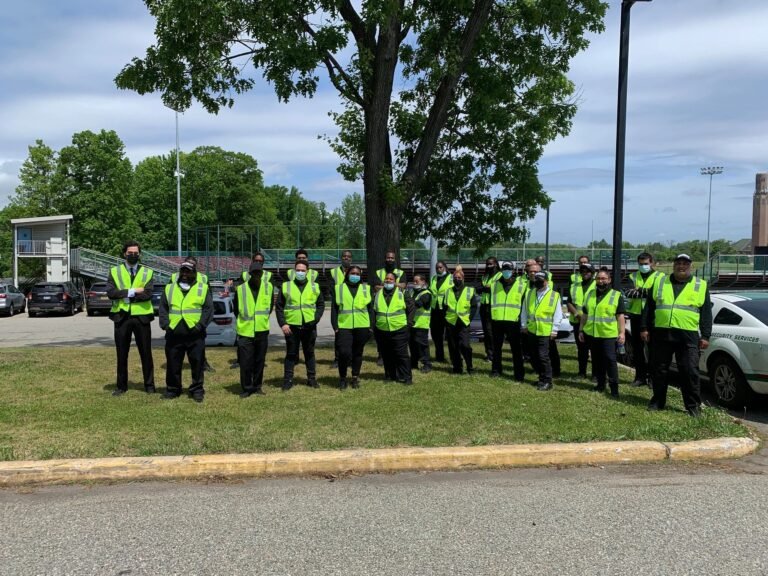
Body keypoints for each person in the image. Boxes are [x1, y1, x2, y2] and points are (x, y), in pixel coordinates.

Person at [640, 253, 712, 417]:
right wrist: (644, 327)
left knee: (689, 371)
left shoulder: (700, 285)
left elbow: (706, 313)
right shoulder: (660, 282)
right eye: (678, 263)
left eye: (685, 264)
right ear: (674, 265)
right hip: (661, 333)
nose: (681, 266)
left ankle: (693, 407)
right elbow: (649, 307)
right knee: (659, 370)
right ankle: (658, 401)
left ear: (690, 266)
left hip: (687, 335)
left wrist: (706, 336)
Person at [159, 261, 213, 402]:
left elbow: (208, 309)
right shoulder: (169, 288)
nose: (185, 274)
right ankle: (173, 389)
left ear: (194, 273)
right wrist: (165, 325)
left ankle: (197, 389)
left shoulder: (202, 288)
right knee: (173, 363)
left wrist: (200, 326)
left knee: (197, 363)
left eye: (188, 271)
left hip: (195, 334)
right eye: (182, 271)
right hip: (174, 333)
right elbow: (163, 308)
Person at [106, 241, 155, 396]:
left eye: (135, 253)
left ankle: (149, 385)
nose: (133, 255)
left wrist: (125, 294)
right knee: (121, 353)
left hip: (142, 318)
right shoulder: (114, 271)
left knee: (146, 353)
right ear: (124, 254)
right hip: (122, 317)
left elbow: (147, 294)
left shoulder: (147, 272)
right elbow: (111, 293)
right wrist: (134, 291)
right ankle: (121, 386)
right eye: (130, 253)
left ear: (139, 254)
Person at [276, 260, 325, 390]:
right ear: (294, 271)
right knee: (291, 354)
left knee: (309, 353)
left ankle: (311, 379)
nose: (300, 272)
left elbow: (321, 304)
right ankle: (288, 380)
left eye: (303, 270)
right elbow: (279, 306)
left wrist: (316, 318)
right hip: (291, 327)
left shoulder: (315, 286)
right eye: (298, 270)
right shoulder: (286, 286)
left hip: (309, 326)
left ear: (307, 272)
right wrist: (283, 324)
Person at [578, 269, 626, 397]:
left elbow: (620, 316)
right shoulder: (590, 295)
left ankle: (614, 388)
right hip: (593, 334)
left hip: (608, 335)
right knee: (597, 360)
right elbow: (585, 315)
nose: (601, 281)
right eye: (598, 278)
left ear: (609, 280)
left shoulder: (616, 295)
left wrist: (622, 333)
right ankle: (600, 384)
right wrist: (581, 330)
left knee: (610, 360)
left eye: (604, 278)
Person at [233, 259, 274, 398]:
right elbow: (236, 309)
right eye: (254, 273)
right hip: (245, 331)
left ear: (262, 274)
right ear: (249, 274)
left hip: (262, 330)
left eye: (259, 273)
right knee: (245, 362)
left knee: (259, 361)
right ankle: (247, 388)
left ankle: (257, 386)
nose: (256, 275)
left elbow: (270, 307)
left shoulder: (269, 288)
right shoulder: (241, 289)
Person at [624, 252, 664, 387]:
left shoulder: (660, 277)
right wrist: (647, 291)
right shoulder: (632, 276)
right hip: (636, 316)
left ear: (652, 263)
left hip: (653, 317)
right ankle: (640, 377)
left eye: (646, 264)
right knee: (637, 349)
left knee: (654, 349)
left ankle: (653, 378)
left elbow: (658, 294)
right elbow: (628, 292)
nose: (643, 266)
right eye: (641, 264)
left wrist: (639, 290)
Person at [331, 265, 374, 390]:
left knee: (357, 353)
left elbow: (371, 309)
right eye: (352, 273)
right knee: (343, 353)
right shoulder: (338, 288)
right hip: (344, 326)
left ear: (360, 276)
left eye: (357, 274)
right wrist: (335, 326)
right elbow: (334, 309)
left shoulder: (366, 288)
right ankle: (342, 378)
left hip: (362, 326)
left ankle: (355, 377)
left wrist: (371, 327)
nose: (355, 276)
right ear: (347, 274)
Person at [521, 266, 563, 391]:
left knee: (543, 356)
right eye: (536, 279)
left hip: (545, 331)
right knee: (533, 356)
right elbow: (524, 310)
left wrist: (554, 329)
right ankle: (541, 378)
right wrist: (523, 325)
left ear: (546, 281)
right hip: (532, 330)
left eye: (541, 280)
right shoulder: (529, 293)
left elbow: (558, 314)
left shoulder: (554, 295)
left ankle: (547, 381)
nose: (538, 282)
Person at [171, 256, 215, 374]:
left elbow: (209, 298)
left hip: (197, 319)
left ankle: (203, 363)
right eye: (188, 263)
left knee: (199, 346)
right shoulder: (175, 277)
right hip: (179, 320)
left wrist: (202, 322)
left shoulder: (203, 278)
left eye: (192, 264)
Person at [374, 272, 414, 384]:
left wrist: (409, 324)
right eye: (386, 278)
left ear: (395, 281)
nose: (388, 280)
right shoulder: (377, 294)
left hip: (399, 329)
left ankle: (406, 377)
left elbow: (411, 308)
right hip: (382, 330)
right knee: (387, 354)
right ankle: (390, 375)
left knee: (401, 355)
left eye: (391, 279)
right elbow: (374, 311)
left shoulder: (402, 292)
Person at [490, 261, 527, 381]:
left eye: (509, 269)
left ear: (513, 271)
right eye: (504, 269)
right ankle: (496, 370)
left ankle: (519, 374)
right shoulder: (494, 284)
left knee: (516, 349)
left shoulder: (522, 285)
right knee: (496, 348)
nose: (507, 271)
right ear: (501, 270)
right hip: (497, 320)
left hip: (513, 321)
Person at [373, 249, 407, 365]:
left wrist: (388, 284)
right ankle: (381, 356)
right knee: (381, 336)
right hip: (382, 303)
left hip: (395, 304)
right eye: (388, 258)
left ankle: (393, 356)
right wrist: (394, 284)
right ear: (385, 259)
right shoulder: (378, 272)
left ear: (395, 259)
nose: (390, 260)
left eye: (392, 258)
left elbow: (404, 285)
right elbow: (375, 287)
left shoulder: (401, 272)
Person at [444, 266, 477, 375]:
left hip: (464, 322)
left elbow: (474, 307)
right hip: (451, 322)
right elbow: (444, 307)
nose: (457, 279)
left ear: (463, 278)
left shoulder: (470, 290)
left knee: (465, 345)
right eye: (455, 277)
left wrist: (469, 319)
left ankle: (470, 366)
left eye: (459, 277)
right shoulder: (448, 291)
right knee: (453, 347)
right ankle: (457, 367)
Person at [566, 262, 596, 379]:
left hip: (593, 322)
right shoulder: (574, 286)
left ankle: (595, 375)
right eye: (582, 271)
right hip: (578, 321)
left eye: (587, 271)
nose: (584, 273)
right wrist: (577, 314)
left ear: (592, 273)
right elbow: (569, 302)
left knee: (594, 350)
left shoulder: (597, 285)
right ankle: (581, 372)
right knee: (581, 349)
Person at [328, 250, 353, 369]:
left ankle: (350, 359)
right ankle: (337, 359)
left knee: (352, 335)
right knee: (338, 334)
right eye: (344, 256)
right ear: (341, 258)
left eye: (348, 257)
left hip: (351, 306)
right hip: (338, 304)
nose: (346, 258)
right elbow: (331, 289)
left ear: (351, 259)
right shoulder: (333, 272)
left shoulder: (356, 271)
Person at [477, 257, 501, 362]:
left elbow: (496, 289)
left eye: (491, 264)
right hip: (484, 306)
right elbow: (477, 289)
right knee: (486, 331)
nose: (489, 266)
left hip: (494, 306)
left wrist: (485, 288)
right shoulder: (485, 276)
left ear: (496, 264)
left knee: (492, 332)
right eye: (487, 264)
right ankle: (489, 354)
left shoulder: (500, 275)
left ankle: (493, 354)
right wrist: (485, 288)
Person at [429, 260, 453, 363]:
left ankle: (454, 358)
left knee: (450, 335)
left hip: (447, 309)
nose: (439, 269)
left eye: (440, 267)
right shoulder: (433, 278)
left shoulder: (451, 278)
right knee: (436, 335)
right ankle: (439, 357)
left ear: (445, 267)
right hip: (435, 310)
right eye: (437, 268)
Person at [407, 274, 432, 373]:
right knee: (412, 345)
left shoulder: (427, 293)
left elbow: (418, 304)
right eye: (414, 281)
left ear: (423, 282)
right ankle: (414, 363)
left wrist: (408, 303)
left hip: (421, 324)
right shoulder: (412, 291)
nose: (414, 283)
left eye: (416, 281)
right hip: (412, 323)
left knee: (422, 345)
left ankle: (427, 364)